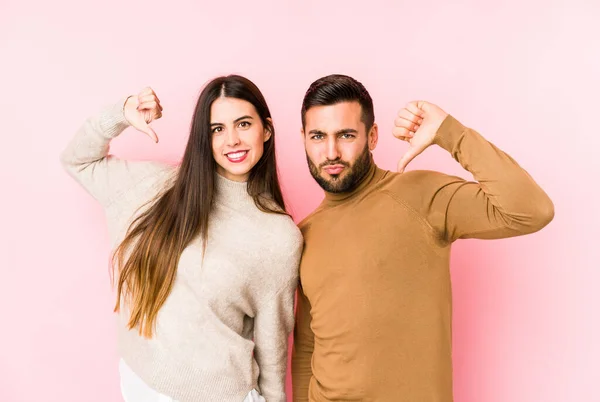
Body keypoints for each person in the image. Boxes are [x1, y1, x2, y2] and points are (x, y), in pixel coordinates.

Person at [291, 74, 554, 402]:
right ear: (303, 138)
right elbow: (307, 349)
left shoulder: (420, 195)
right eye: (318, 136)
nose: (331, 152)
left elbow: (530, 210)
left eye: (346, 135)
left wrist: (449, 132)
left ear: (372, 137)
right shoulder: (303, 235)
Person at [60, 75, 303, 402]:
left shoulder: (278, 236)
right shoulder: (154, 186)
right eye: (217, 129)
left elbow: (273, 345)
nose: (231, 139)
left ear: (267, 130)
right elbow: (77, 160)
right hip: (138, 385)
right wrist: (121, 114)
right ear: (205, 138)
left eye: (243, 124)